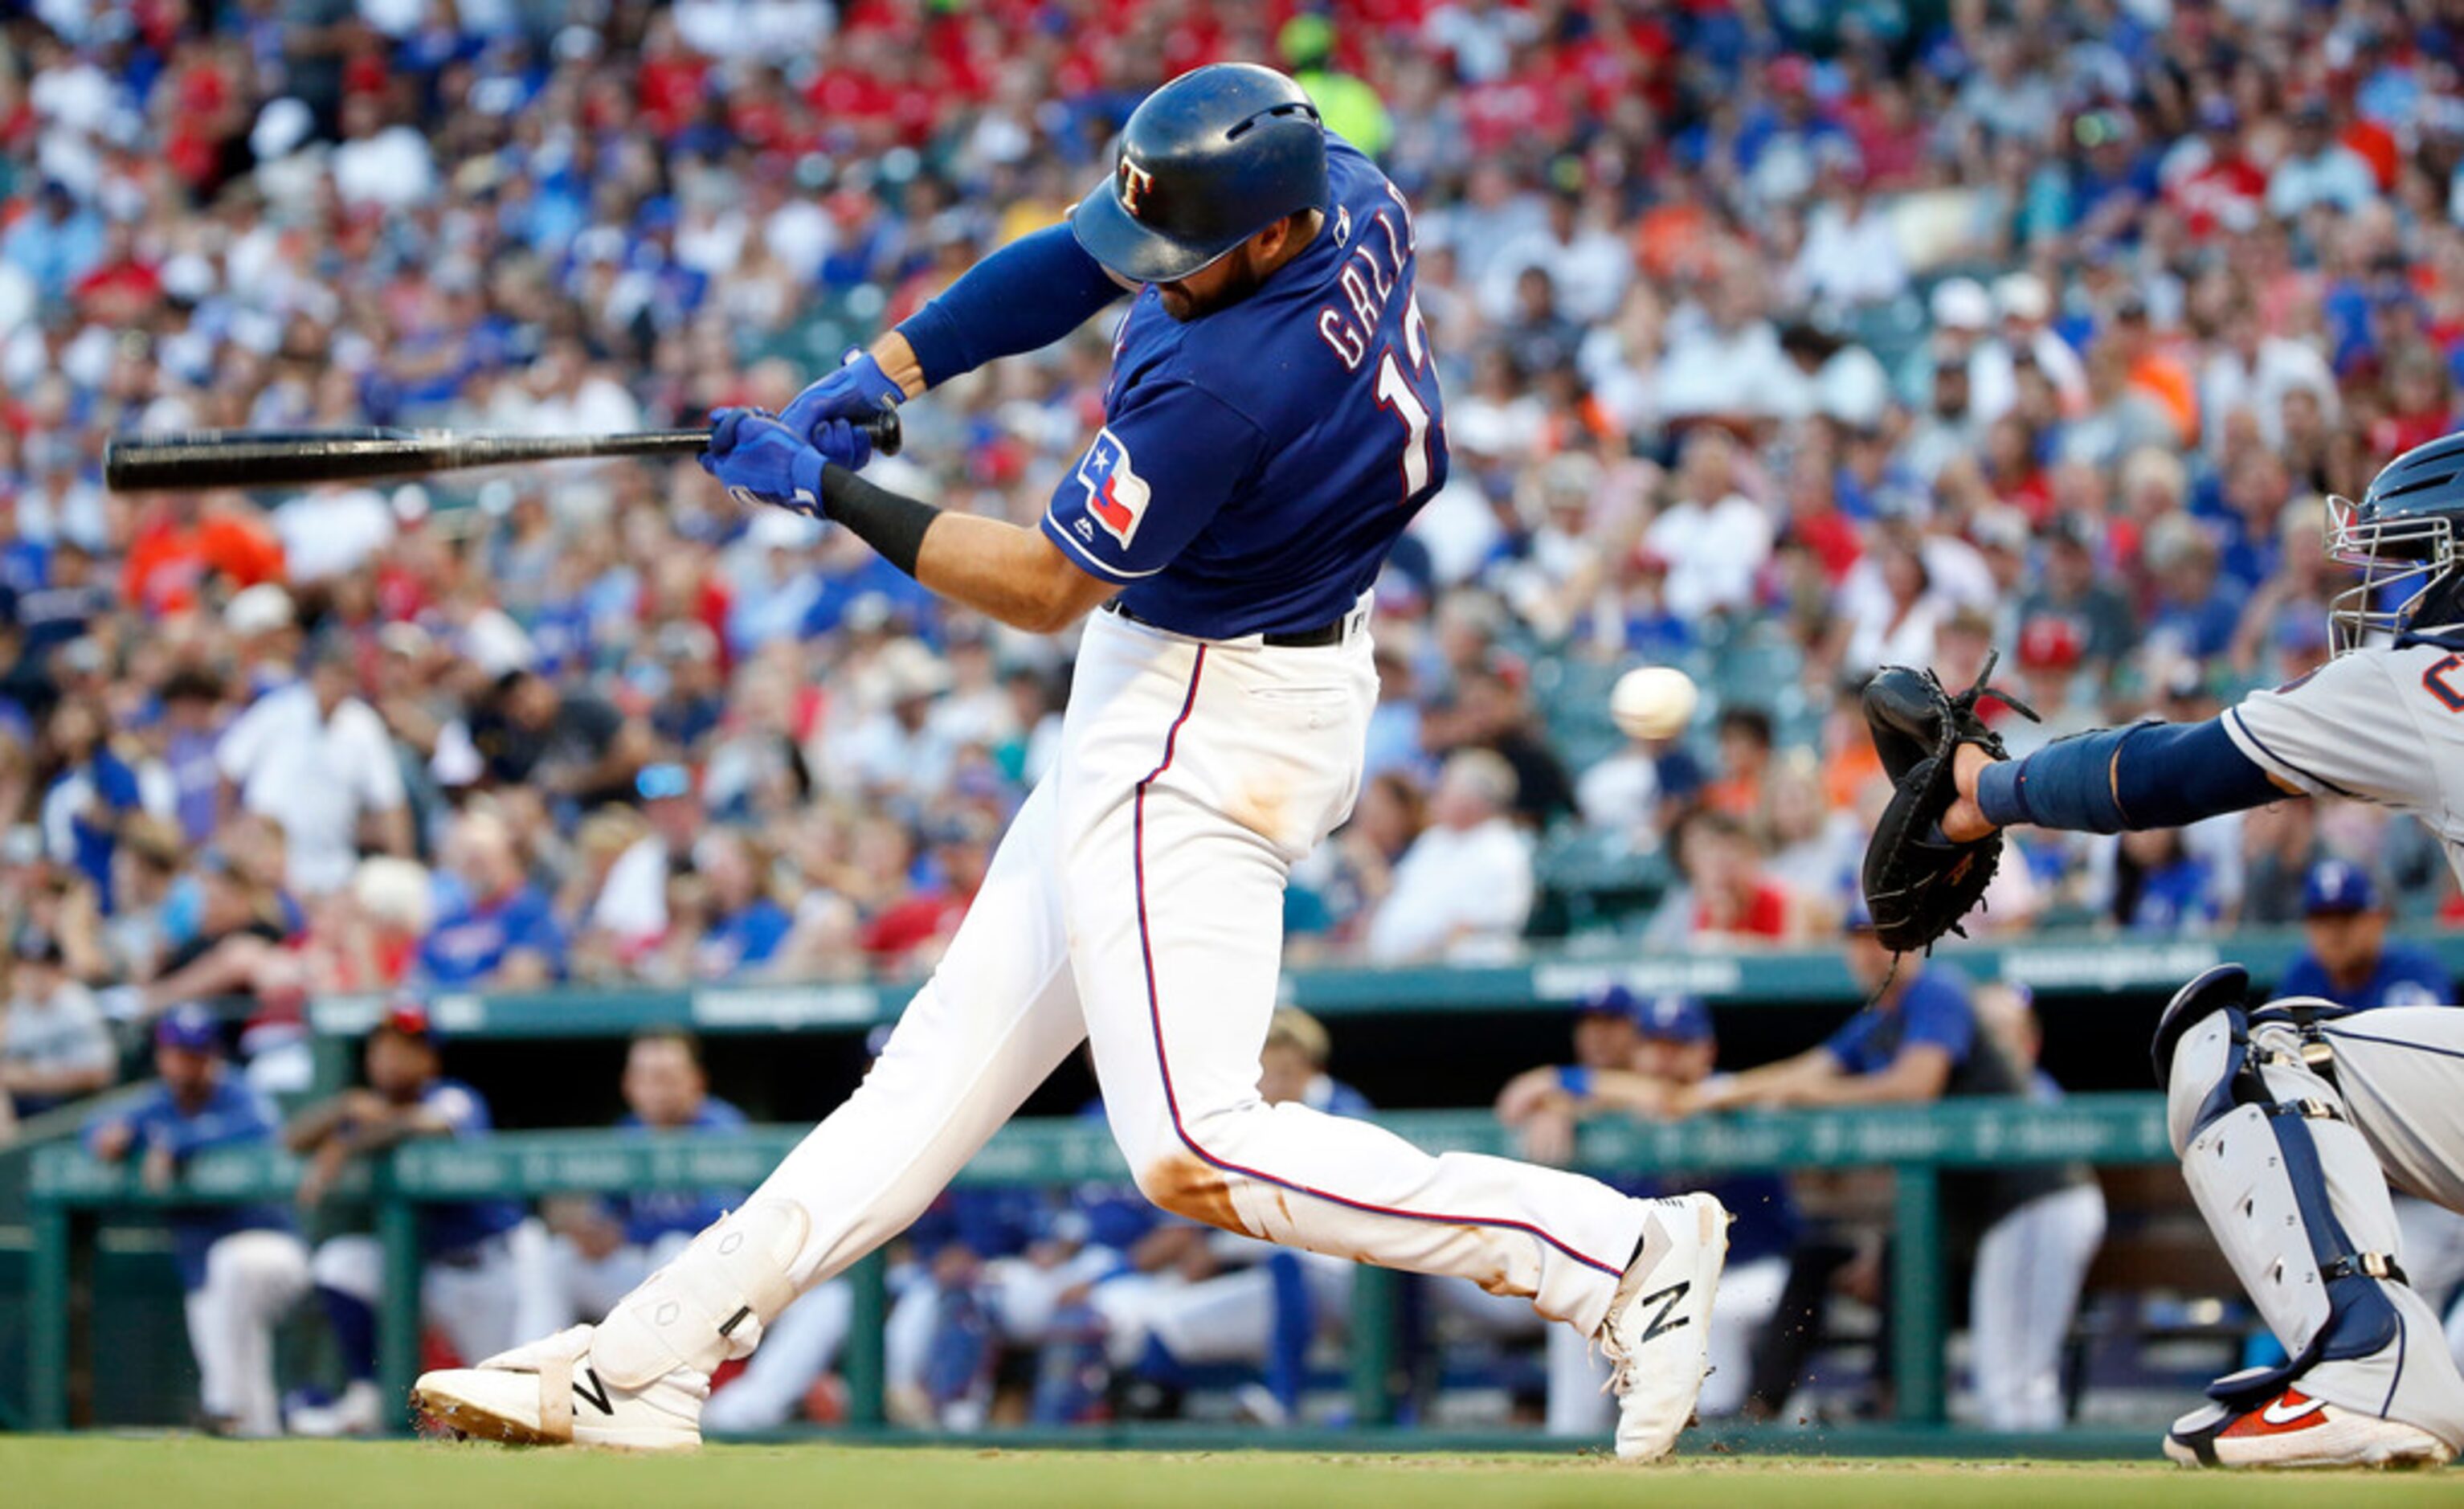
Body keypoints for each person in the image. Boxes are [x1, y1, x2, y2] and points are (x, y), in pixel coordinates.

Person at [415, 63, 1726, 1462]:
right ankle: (643, 1361)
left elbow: (1046, 586)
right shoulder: (1341, 187)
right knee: (929, 1079)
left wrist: (831, 490)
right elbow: (1075, 257)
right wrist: (891, 367)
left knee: (1194, 1142)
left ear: (1270, 236)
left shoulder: (1225, 381)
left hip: (1203, 714)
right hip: (1242, 667)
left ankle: (1617, 1253)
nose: (1151, 276)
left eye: (1187, 256)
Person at [1916, 434, 2464, 1466]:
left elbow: (2166, 774)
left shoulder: (2428, 684)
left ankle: (2369, 1376)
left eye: (2419, 560)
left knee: (2260, 1054)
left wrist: (1983, 795)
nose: (2400, 592)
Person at [1690, 919, 2106, 1432]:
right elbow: (1806, 1070)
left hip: (2037, 1198)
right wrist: (1716, 1094)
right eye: (1860, 941)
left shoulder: (1938, 988)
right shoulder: (1884, 1015)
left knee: (2015, 1388)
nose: (1872, 953)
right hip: (1998, 1216)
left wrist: (1813, 1097)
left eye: (1885, 939)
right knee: (2008, 1387)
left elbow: (1914, 1085)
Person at [1494, 988, 1796, 1430]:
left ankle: (1713, 1442)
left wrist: (1560, 1083)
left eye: (1680, 1046)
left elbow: (1674, 1102)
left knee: (1715, 1311)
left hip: (1752, 1270)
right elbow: (1514, 1102)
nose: (1665, 1059)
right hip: (1656, 1280)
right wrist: (1557, 1104)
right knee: (1579, 1312)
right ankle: (1569, 1446)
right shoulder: (1615, 1108)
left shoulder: (1728, 1091)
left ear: (1706, 1051)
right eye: (1655, 1046)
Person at [288, 998, 532, 1436]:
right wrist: (344, 1106)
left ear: (429, 1059)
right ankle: (368, 1389)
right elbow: (292, 1140)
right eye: (381, 1049)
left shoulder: (455, 1096)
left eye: (405, 1049)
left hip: (484, 1271)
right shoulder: (363, 1111)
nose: (390, 1059)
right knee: (342, 1262)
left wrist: (348, 1143)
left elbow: (430, 1123)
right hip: (421, 1275)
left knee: (510, 1412)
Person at [83, 1006, 309, 1436]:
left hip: (272, 1253)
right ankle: (250, 1436)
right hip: (204, 1271)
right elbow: (95, 1128)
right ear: (163, 1056)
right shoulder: (155, 1106)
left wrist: (176, 1142)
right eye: (179, 1053)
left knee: (230, 1266)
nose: (187, 1063)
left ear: (214, 1055)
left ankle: (218, 1404)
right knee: (246, 1394)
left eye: (197, 1053)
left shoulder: (240, 1096)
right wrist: (107, 1138)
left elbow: (264, 1129)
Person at [521, 1030, 750, 1335]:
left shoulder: (721, 1127)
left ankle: (656, 1376)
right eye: (645, 1078)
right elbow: (609, 1212)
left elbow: (725, 1218)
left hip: (718, 1288)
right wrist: (588, 1228)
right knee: (557, 1258)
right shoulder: (630, 1133)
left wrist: (628, 1232)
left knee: (674, 1249)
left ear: (696, 1081)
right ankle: (530, 1375)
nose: (656, 1089)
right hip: (646, 1277)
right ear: (628, 1085)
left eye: (666, 1077)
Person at [2276, 861, 2451, 1012]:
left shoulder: (2413, 971)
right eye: (2321, 918)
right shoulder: (2302, 976)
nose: (2334, 931)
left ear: (2377, 920)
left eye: (2347, 916)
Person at [1, 925, 114, 1116]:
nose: (32, 975)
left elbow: (100, 1074)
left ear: (56, 969)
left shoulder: (75, 1003)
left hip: (75, 1102)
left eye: (40, 967)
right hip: (31, 1102)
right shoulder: (19, 1007)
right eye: (26, 967)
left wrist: (33, 1080)